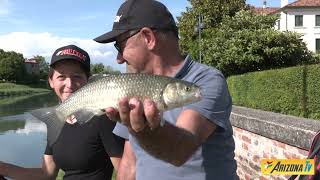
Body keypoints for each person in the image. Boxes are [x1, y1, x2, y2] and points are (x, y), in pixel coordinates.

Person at [93, 0, 239, 180]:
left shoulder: (205, 80)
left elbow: (180, 150)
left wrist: (143, 128)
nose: (118, 59)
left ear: (148, 37)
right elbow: (129, 165)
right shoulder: (134, 87)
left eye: (119, 46)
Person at [0, 45, 124, 180]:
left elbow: (126, 174)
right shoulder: (56, 119)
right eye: (61, 77)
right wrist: (3, 168)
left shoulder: (104, 117)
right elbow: (46, 174)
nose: (69, 83)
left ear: (88, 80)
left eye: (77, 76)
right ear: (51, 82)